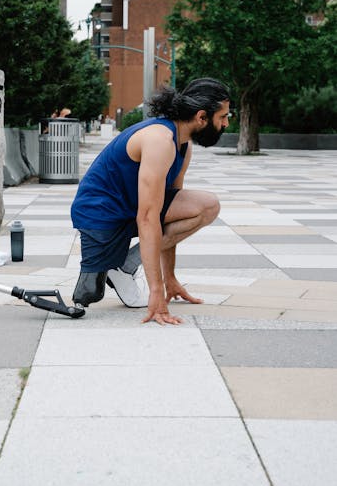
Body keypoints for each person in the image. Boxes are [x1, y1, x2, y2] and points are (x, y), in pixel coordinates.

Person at [70, 77, 232, 326]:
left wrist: (169, 279)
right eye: (222, 117)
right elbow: (148, 218)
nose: (226, 124)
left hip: (131, 208)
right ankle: (111, 265)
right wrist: (156, 293)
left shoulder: (182, 145)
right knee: (89, 292)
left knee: (208, 205)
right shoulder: (160, 140)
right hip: (99, 215)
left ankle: (124, 265)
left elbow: (168, 208)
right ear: (202, 117)